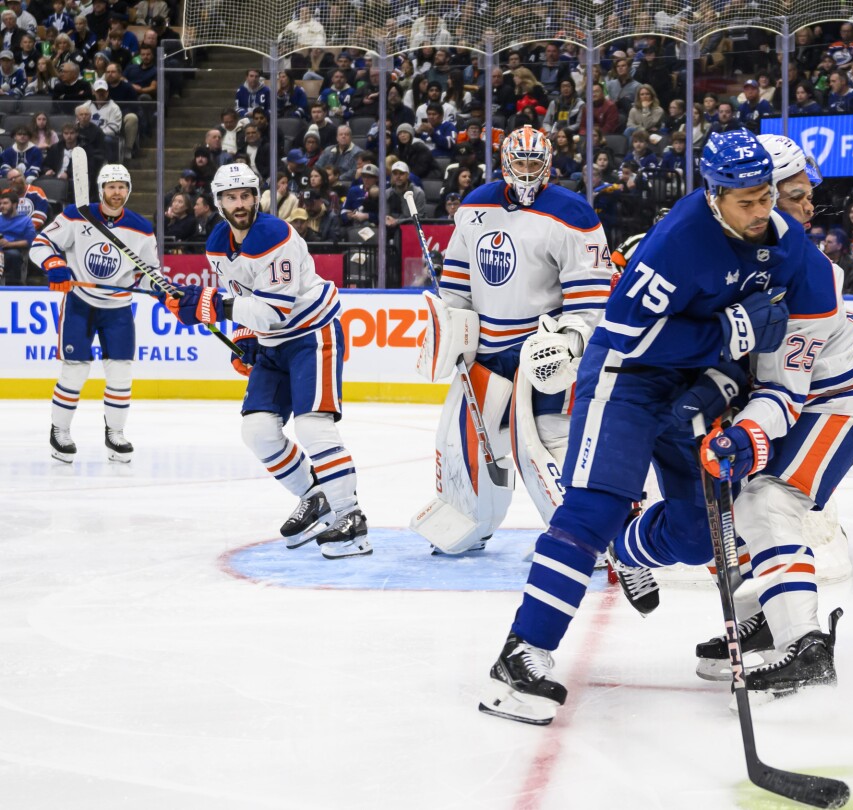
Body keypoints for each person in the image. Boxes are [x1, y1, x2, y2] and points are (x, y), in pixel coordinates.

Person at [476, 128, 814, 725]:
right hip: (628, 383)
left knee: (698, 536)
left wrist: (726, 387)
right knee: (590, 510)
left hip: (697, 391)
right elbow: (626, 333)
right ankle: (522, 652)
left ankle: (627, 549)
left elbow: (793, 334)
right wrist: (730, 331)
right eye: (747, 201)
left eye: (767, 196)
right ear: (714, 195)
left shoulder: (785, 243)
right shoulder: (679, 242)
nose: (761, 211)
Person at [614, 133, 853, 699]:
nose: (796, 208)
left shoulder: (808, 275)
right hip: (794, 394)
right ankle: (767, 616)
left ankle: (805, 644)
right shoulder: (715, 241)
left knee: (766, 499)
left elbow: (783, 390)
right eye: (784, 195)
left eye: (787, 195)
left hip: (841, 396)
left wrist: (747, 433)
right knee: (738, 502)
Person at [413, 125, 611, 557]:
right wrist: (449, 323)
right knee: (463, 443)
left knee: (542, 443)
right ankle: (473, 523)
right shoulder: (475, 205)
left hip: (541, 351)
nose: (525, 171)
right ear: (505, 164)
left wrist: (574, 339)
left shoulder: (572, 213)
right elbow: (459, 280)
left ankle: (581, 536)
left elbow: (592, 293)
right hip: (486, 351)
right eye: (518, 162)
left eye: (533, 162)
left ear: (548, 165)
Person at [164, 163, 369, 559]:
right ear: (218, 200)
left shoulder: (276, 236)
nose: (239, 204)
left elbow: (274, 308)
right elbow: (239, 292)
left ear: (257, 196)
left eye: (246, 195)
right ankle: (315, 496)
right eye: (230, 197)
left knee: (313, 428)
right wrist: (244, 338)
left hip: (312, 336)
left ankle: (351, 517)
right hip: (273, 345)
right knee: (257, 431)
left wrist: (208, 306)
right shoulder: (217, 242)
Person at [31, 164, 156, 463]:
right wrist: (55, 265)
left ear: (129, 190)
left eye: (122, 186)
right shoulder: (77, 215)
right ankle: (59, 431)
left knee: (121, 373)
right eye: (111, 186)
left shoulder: (141, 228)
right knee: (75, 370)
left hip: (118, 308)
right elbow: (41, 244)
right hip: (80, 303)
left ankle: (115, 433)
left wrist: (158, 286)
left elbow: (149, 271)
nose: (117, 192)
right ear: (101, 190)